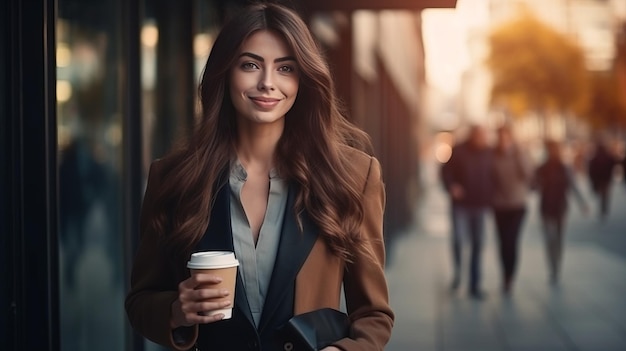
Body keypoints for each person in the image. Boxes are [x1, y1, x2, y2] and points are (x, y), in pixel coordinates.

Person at [125, 3, 393, 351]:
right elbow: (140, 301)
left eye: (285, 68)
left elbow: (374, 314)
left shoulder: (352, 177)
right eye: (250, 65)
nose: (267, 83)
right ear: (225, 72)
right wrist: (177, 311)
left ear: (303, 79)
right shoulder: (173, 178)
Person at [441, 125, 494, 299]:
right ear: (472, 136)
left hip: (480, 205)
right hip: (461, 205)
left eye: (484, 135)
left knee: (478, 244)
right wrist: (452, 187)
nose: (483, 138)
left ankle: (475, 284)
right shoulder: (458, 150)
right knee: (458, 239)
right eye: (480, 135)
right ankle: (458, 273)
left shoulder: (489, 152)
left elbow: (495, 175)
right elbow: (445, 172)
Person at [534, 140, 587, 285]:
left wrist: (582, 203)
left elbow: (573, 185)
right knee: (550, 239)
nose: (553, 152)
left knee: (558, 239)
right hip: (546, 209)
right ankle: (553, 267)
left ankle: (557, 266)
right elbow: (532, 185)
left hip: (560, 208)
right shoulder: (541, 168)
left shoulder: (565, 168)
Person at [491, 125, 533, 295]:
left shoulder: (519, 153)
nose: (502, 140)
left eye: (505, 137)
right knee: (502, 243)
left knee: (511, 241)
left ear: (510, 137)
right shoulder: (493, 155)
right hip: (499, 205)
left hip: (517, 205)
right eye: (500, 136)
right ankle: (505, 274)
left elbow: (528, 174)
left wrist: (518, 154)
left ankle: (510, 276)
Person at [587, 139, 618, 220]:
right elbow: (614, 163)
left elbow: (591, 169)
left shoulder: (595, 157)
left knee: (603, 195)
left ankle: (603, 209)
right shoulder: (608, 157)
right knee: (605, 195)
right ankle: (604, 209)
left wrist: (593, 179)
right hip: (606, 179)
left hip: (600, 179)